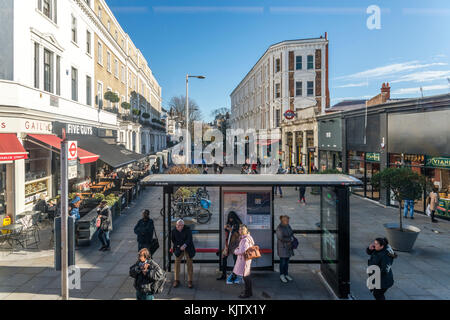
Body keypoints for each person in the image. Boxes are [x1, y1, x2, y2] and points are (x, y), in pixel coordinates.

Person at [217, 211, 242, 282]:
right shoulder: (229, 223)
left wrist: (231, 230)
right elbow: (227, 233)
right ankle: (223, 275)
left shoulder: (238, 224)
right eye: (229, 218)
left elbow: (238, 235)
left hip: (235, 245)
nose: (230, 220)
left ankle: (235, 275)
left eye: (231, 218)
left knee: (235, 259)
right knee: (224, 257)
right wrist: (226, 228)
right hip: (228, 244)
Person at [171, 219, 196, 288]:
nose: (178, 227)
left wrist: (184, 245)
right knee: (177, 263)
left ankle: (190, 281)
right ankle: (176, 280)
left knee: (189, 264)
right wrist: (179, 246)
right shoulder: (174, 231)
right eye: (177, 225)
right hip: (179, 248)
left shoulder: (187, 229)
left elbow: (189, 239)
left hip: (188, 247)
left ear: (183, 225)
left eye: (180, 225)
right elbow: (173, 240)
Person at [232, 224, 255, 298]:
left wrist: (235, 251)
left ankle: (247, 293)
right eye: (240, 229)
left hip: (244, 260)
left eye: (242, 229)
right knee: (246, 276)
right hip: (247, 259)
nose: (240, 231)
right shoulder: (248, 237)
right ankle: (249, 292)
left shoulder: (245, 240)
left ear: (246, 230)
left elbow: (242, 251)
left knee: (246, 276)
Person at [276, 215, 295, 283]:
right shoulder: (279, 228)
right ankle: (282, 275)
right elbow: (281, 238)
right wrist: (290, 239)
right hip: (283, 248)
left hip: (288, 247)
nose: (288, 221)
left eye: (288, 220)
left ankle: (286, 274)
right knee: (283, 262)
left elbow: (291, 232)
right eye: (287, 220)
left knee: (287, 262)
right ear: (283, 220)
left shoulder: (288, 226)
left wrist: (292, 237)